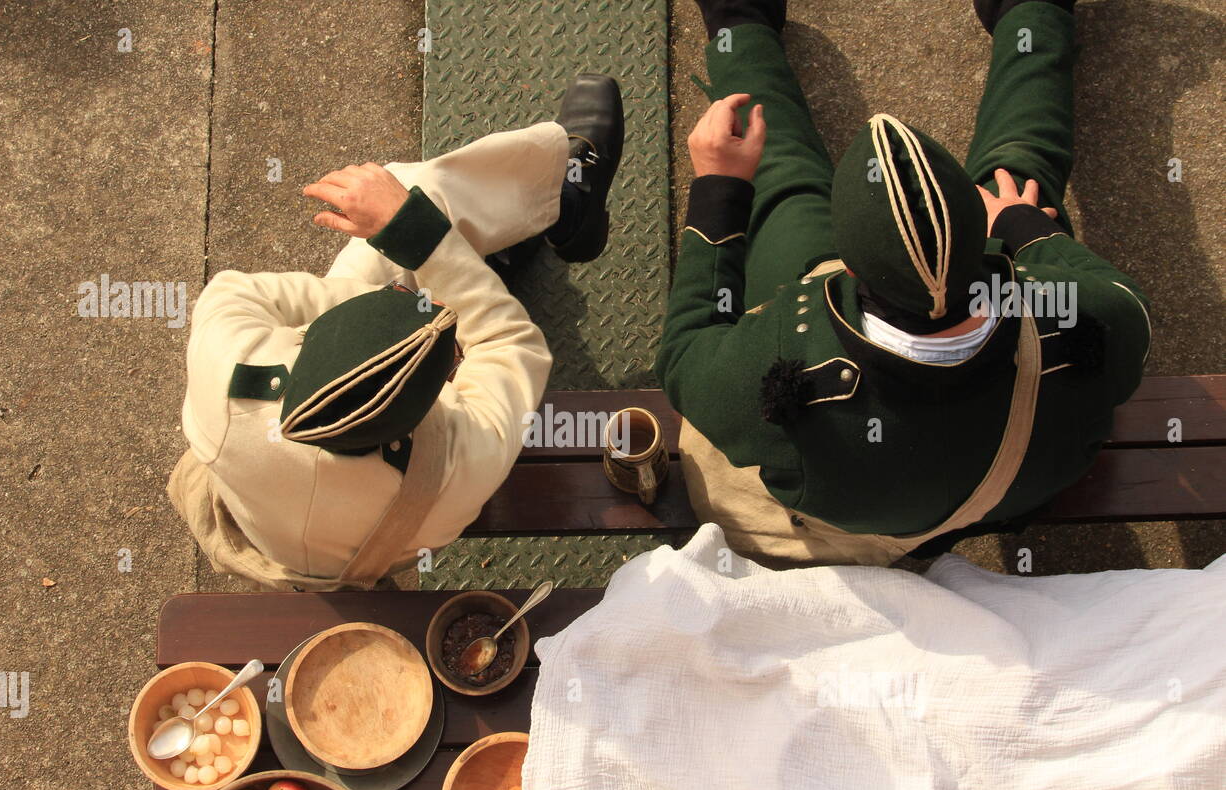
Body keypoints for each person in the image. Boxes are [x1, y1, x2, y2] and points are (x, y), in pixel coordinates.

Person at [656, 0, 1151, 567]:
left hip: (857, 512)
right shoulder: (1073, 311)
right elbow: (1126, 302)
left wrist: (719, 189)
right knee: (1019, 178)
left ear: (846, 268)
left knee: (783, 177)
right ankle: (1031, 13)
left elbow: (685, 358)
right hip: (1018, 485)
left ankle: (739, 25)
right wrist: (1024, 227)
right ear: (982, 241)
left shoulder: (772, 366)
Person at [168, 75, 624, 589]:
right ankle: (566, 204)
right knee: (417, 195)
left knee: (417, 234)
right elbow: (510, 341)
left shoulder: (225, 356)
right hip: (395, 535)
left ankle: (494, 242)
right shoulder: (458, 462)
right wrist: (422, 242)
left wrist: (384, 292)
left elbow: (265, 293)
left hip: (286, 539)